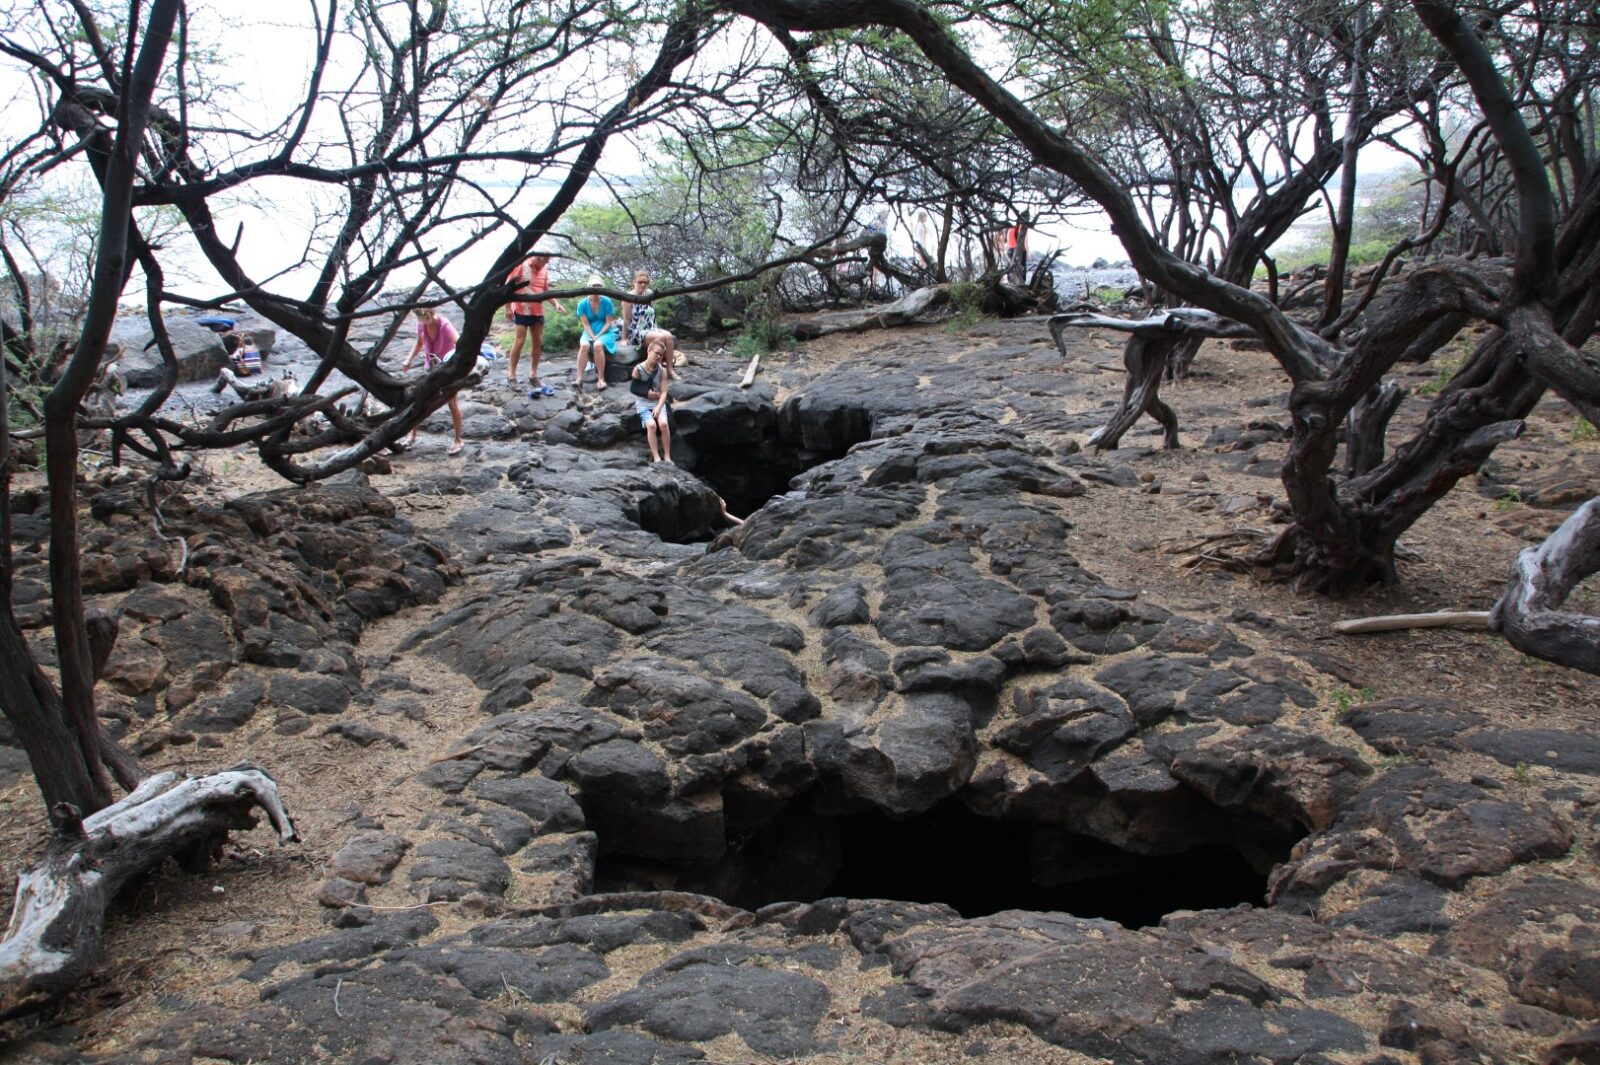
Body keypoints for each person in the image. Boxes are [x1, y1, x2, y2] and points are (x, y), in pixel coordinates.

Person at [400, 306, 465, 455]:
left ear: (431, 314)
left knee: (452, 403)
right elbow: (419, 343)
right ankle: (412, 435)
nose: (424, 323)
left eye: (425, 320)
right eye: (421, 320)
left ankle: (458, 440)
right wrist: (408, 360)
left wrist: (456, 363)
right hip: (431, 368)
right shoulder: (421, 324)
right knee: (419, 400)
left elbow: (460, 343)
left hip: (448, 369)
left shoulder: (445, 325)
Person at [506, 252, 565, 392]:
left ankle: (533, 375)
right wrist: (507, 308)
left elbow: (545, 290)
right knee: (519, 341)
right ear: (538, 258)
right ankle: (512, 375)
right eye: (545, 261)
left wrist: (555, 304)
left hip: (537, 310)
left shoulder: (544, 270)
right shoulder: (522, 266)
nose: (546, 264)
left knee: (537, 342)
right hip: (521, 308)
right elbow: (508, 286)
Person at [629, 332, 673, 462]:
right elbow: (634, 388)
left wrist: (659, 407)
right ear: (649, 351)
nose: (659, 357)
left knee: (664, 424)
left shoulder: (662, 371)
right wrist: (646, 393)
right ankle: (656, 456)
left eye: (661, 355)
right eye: (656, 353)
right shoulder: (639, 369)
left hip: (657, 403)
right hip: (643, 403)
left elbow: (664, 391)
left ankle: (667, 455)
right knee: (651, 425)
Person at [575, 275, 618, 392]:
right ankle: (579, 378)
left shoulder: (607, 302)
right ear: (589, 288)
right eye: (594, 286)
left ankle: (601, 379)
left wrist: (598, 336)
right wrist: (592, 335)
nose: (596, 289)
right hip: (589, 331)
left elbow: (609, 322)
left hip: (605, 331)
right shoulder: (582, 304)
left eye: (598, 286)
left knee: (597, 345)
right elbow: (586, 324)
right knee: (584, 345)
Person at [621, 270, 658, 349]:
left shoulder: (650, 294)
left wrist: (656, 328)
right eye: (640, 282)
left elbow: (652, 315)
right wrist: (624, 338)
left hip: (651, 328)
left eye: (645, 282)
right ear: (634, 282)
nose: (643, 284)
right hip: (636, 331)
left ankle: (668, 361)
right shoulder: (628, 297)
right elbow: (626, 319)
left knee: (668, 337)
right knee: (659, 337)